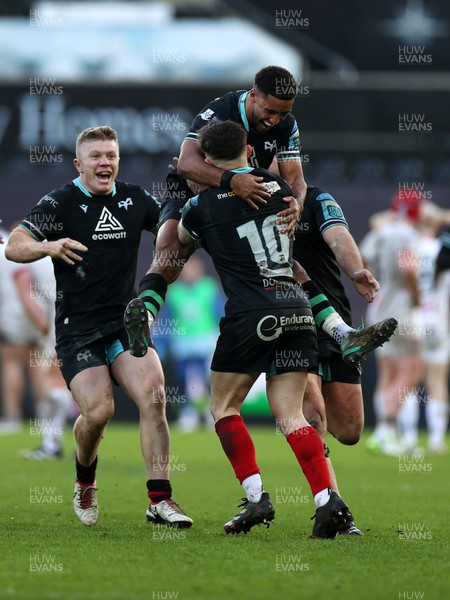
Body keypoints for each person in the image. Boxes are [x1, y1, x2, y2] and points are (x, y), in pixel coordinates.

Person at [125, 66, 396, 367]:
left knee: (281, 264)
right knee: (170, 247)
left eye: (283, 113)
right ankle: (144, 321)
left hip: (247, 189)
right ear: (253, 95)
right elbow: (186, 164)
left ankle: (344, 334)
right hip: (197, 190)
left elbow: (297, 180)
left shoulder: (286, 125)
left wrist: (296, 201)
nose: (274, 120)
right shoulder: (219, 111)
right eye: (270, 110)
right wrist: (230, 180)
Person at [5, 126, 192, 528]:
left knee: (155, 395)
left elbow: (173, 229)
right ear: (80, 164)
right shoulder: (59, 202)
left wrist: (190, 202)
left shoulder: (134, 198)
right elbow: (14, 245)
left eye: (110, 155)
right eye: (96, 156)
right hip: (77, 328)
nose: (104, 162)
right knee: (99, 412)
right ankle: (85, 477)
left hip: (125, 321)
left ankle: (160, 499)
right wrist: (48, 246)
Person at [177, 119, 354, 538]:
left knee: (223, 407)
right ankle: (327, 499)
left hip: (250, 313)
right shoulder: (284, 192)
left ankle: (256, 496)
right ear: (250, 152)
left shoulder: (202, 206)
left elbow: (178, 240)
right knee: (292, 415)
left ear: (206, 160)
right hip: (296, 309)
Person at [292, 185, 394, 534]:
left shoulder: (317, 199)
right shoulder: (247, 201)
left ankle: (314, 447)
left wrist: (355, 272)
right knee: (313, 414)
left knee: (350, 430)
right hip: (290, 322)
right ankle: (333, 509)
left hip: (334, 322)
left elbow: (339, 238)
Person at [361, 191, 424, 456]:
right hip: (401, 307)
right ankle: (387, 428)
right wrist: (417, 296)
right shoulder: (408, 234)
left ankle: (385, 433)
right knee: (411, 371)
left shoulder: (383, 231)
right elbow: (408, 269)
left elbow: (364, 256)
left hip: (379, 305)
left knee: (387, 373)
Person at [0, 227, 53, 435]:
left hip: (20, 314)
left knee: (12, 362)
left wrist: (43, 324)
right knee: (38, 363)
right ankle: (44, 418)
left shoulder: (13, 247)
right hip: (37, 312)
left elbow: (24, 289)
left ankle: (13, 416)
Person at [162, 254, 224, 432]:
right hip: (182, 344)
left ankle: (212, 414)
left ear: (200, 269)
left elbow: (219, 313)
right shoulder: (174, 292)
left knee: (208, 380)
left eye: (193, 268)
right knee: (184, 380)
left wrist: (221, 337)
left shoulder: (209, 288)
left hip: (207, 342)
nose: (190, 272)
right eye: (186, 268)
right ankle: (188, 415)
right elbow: (168, 318)